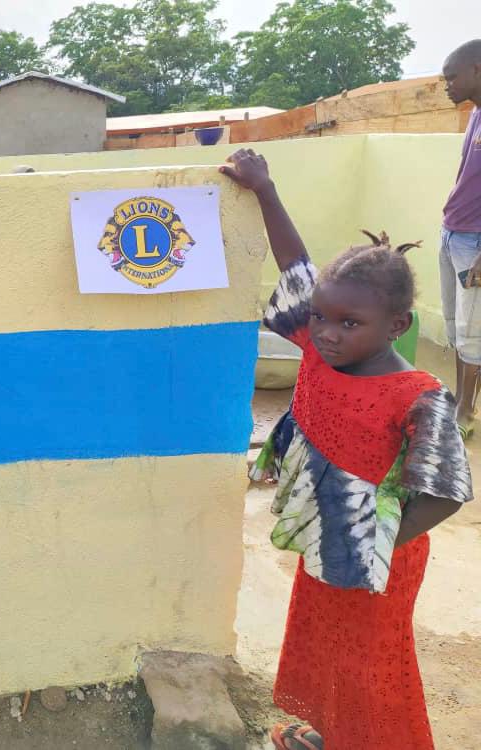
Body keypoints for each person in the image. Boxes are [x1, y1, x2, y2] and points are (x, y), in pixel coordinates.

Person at [220, 149, 473, 750]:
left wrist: (370, 547)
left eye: (349, 323)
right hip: (324, 531)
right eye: (323, 317)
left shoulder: (418, 395)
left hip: (379, 553)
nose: (329, 331)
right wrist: (264, 189)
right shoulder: (314, 342)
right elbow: (295, 266)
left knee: (371, 663)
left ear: (396, 324)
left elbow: (445, 494)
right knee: (326, 638)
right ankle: (334, 734)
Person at [442, 39, 481, 440]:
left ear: (478, 70)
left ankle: (466, 413)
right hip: (453, 232)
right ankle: (458, 399)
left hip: (475, 240)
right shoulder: (475, 114)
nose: (447, 85)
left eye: (453, 77)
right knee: (456, 323)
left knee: (474, 328)